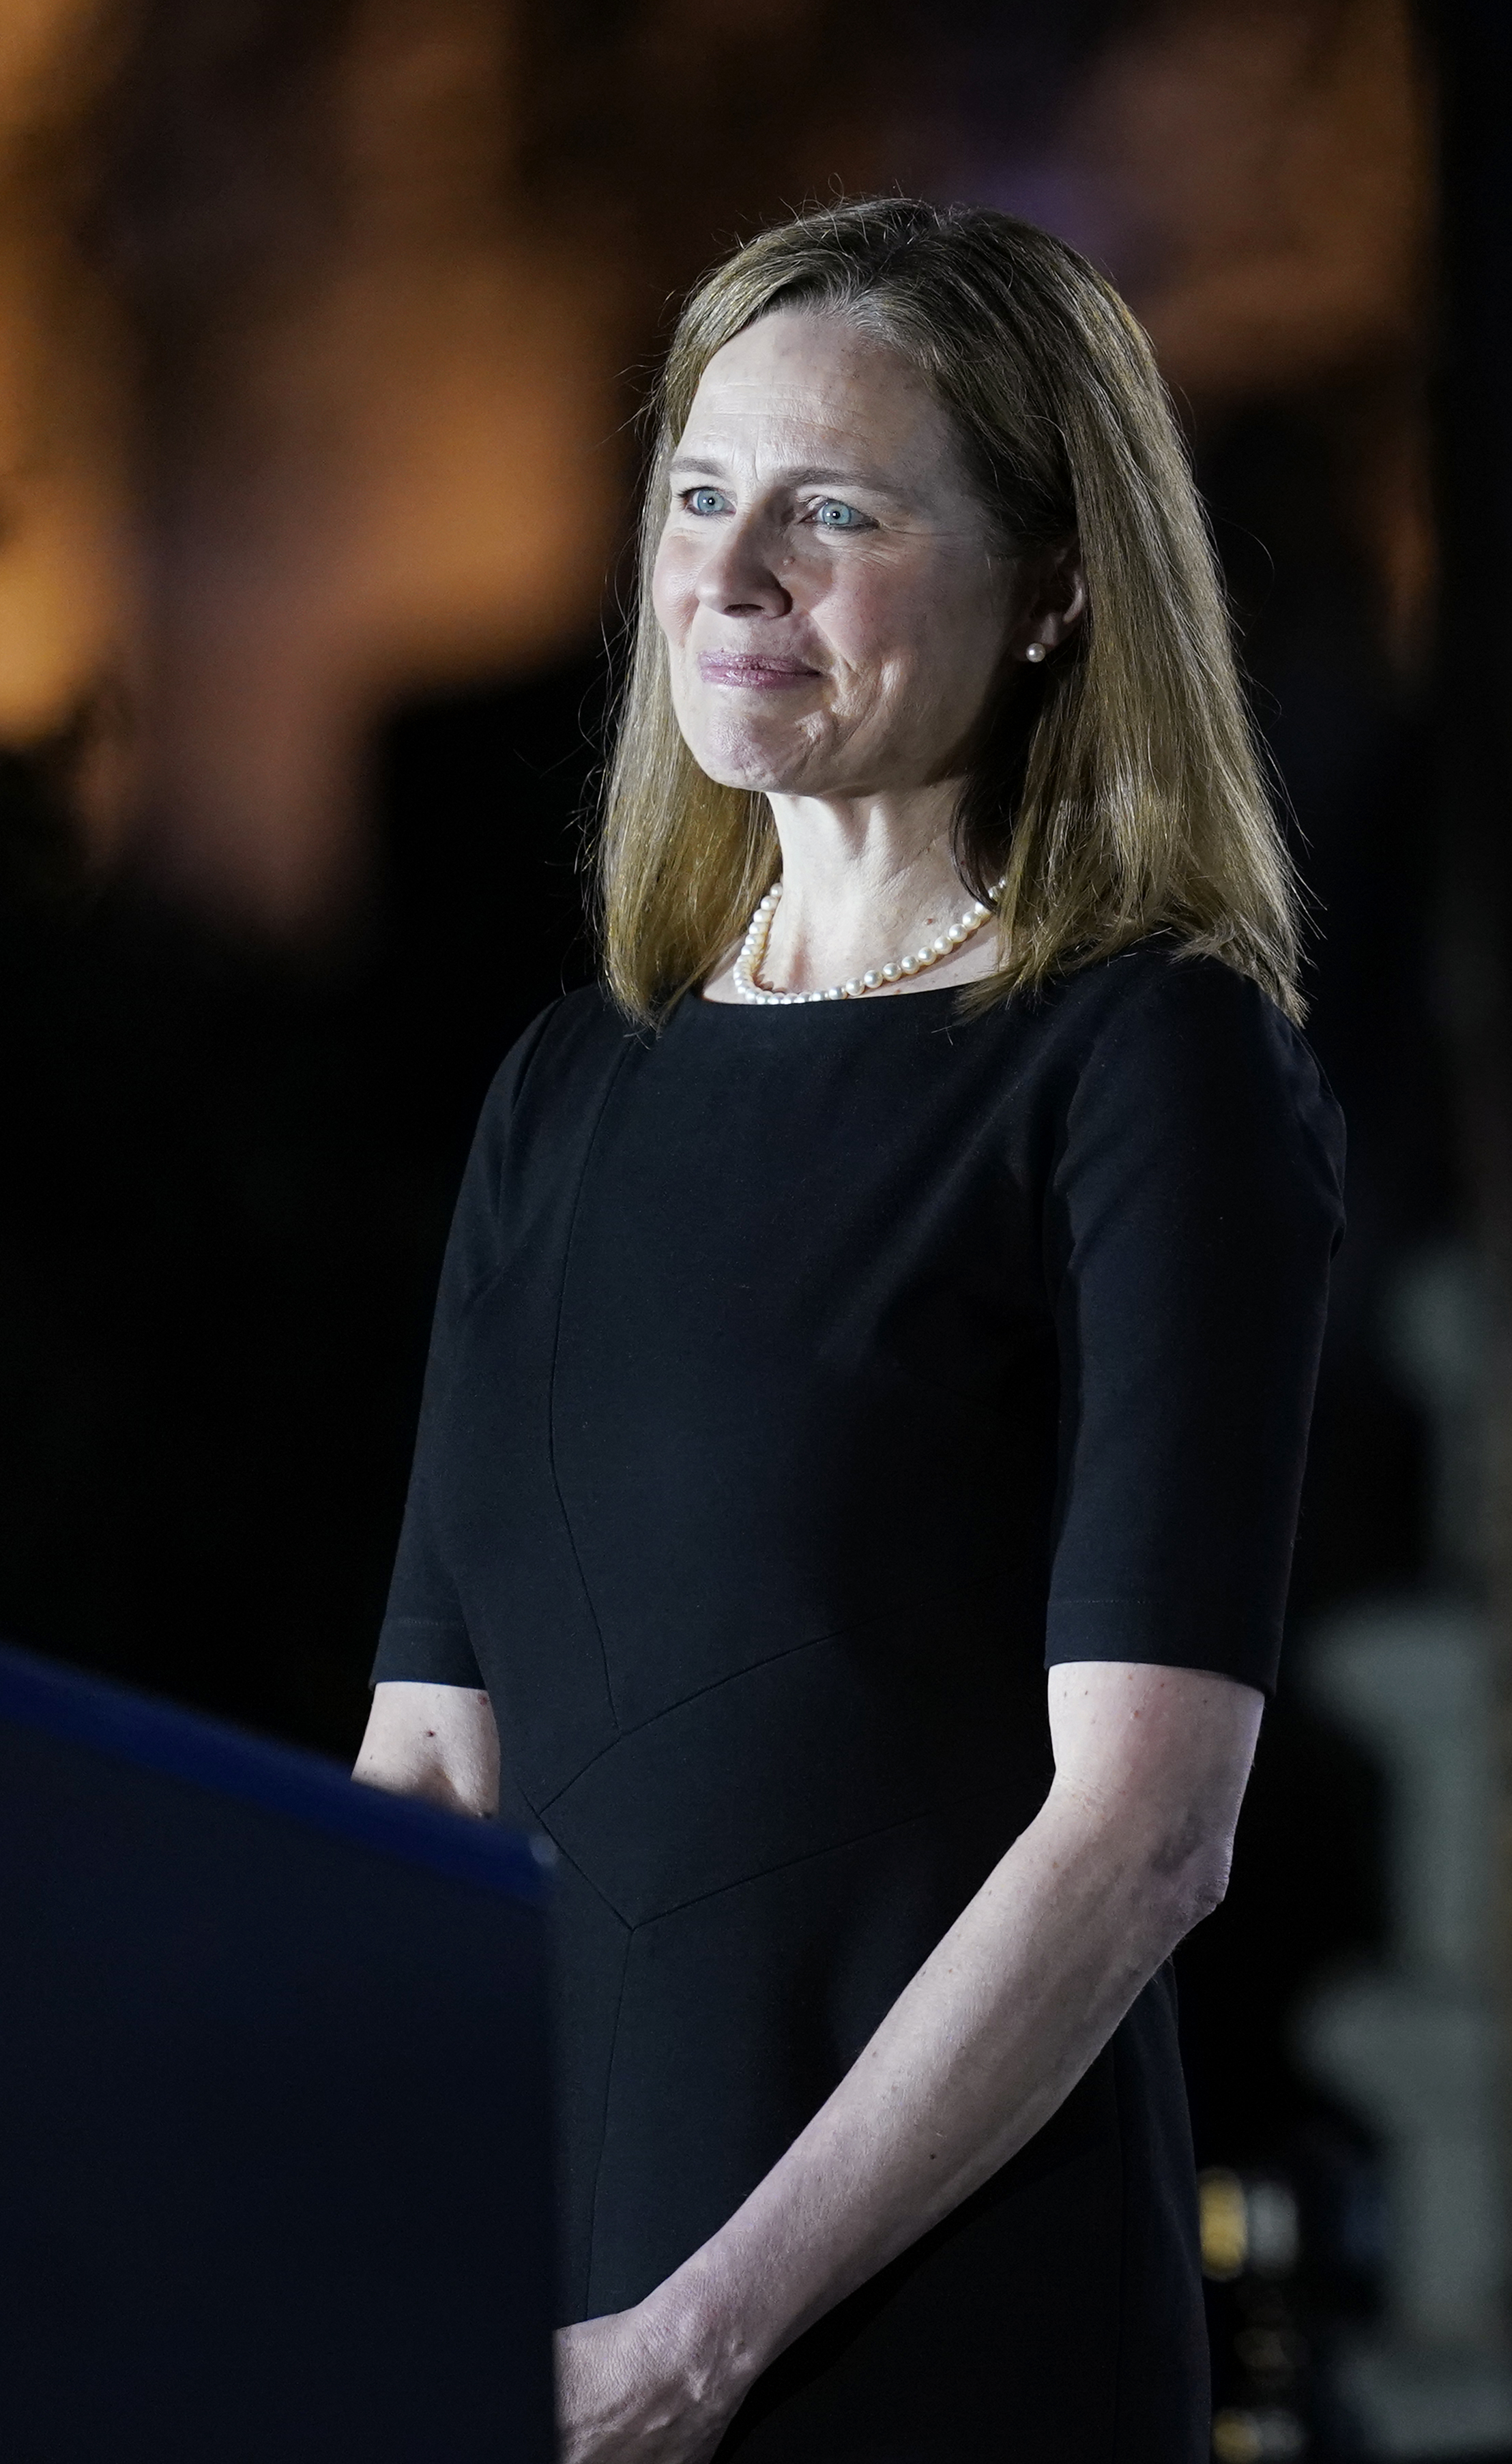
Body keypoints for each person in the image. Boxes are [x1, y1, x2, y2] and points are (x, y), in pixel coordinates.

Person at [354, 197, 1342, 2463]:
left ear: (1058, 586)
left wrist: (705, 2340)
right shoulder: (572, 1086)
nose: (728, 579)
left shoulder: (1145, 1062)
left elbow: (1144, 1836)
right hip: (555, 2326)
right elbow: (429, 1770)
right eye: (700, 500)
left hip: (920, 2326)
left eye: (837, 515)